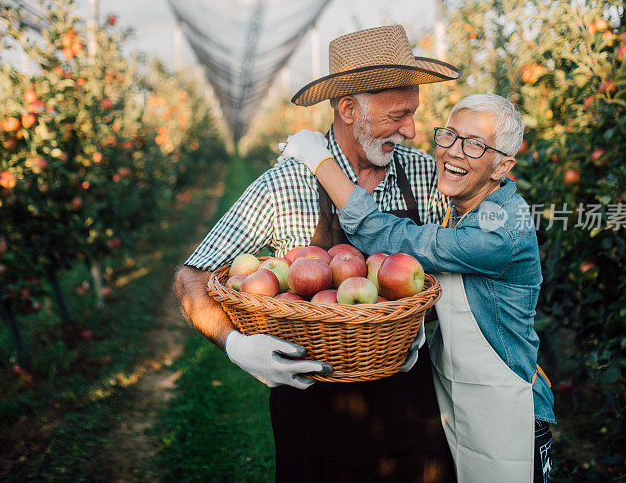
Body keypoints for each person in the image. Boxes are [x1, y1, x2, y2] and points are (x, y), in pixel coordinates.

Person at [173, 24, 462, 481]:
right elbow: (192, 276)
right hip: (313, 397)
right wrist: (236, 346)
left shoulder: (425, 175)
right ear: (349, 109)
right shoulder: (284, 184)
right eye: (397, 115)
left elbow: (456, 266)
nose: (411, 129)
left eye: (414, 113)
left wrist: (423, 324)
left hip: (409, 396)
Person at [280, 93, 556, 483]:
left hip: (505, 406)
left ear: (502, 165)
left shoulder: (499, 232)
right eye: (449, 136)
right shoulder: (462, 206)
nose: (454, 152)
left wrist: (321, 162)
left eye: (475, 144)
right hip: (456, 400)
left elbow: (387, 235)